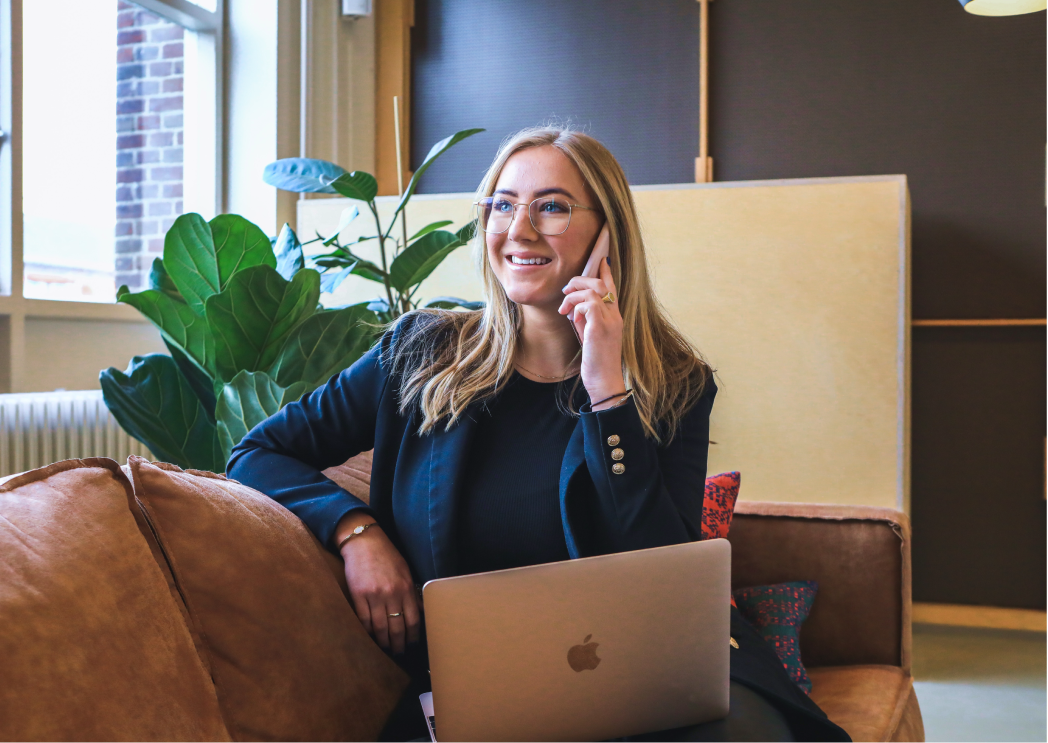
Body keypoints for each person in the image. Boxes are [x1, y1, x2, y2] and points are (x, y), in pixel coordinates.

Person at [228, 127, 850, 743]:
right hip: (484, 693)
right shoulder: (419, 354)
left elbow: (667, 574)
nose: (519, 230)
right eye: (502, 204)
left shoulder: (674, 383)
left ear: (609, 233)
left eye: (551, 207)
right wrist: (355, 532)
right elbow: (256, 451)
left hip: (651, 680)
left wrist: (608, 393)